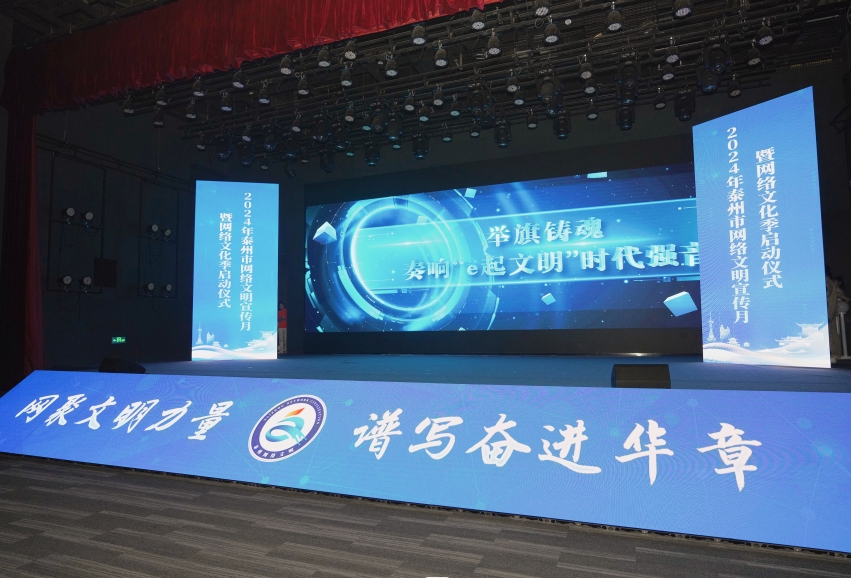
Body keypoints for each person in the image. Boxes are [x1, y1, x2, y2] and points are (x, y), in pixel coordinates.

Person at [827, 270, 849, 364]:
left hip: (830, 311)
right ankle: (836, 354)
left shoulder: (828, 283)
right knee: (834, 332)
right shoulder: (832, 284)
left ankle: (834, 354)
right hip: (833, 311)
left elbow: (832, 294)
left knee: (832, 333)